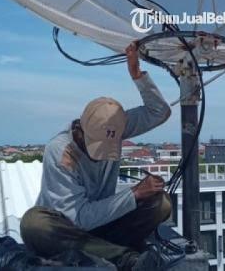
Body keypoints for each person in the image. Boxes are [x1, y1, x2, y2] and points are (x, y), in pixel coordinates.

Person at [20, 42, 172, 270]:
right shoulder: (60, 151)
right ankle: (125, 258)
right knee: (33, 224)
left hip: (103, 225)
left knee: (161, 204)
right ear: (81, 131)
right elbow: (78, 218)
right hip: (69, 231)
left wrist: (138, 76)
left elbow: (160, 112)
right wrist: (134, 193)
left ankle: (106, 251)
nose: (101, 157)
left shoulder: (116, 127)